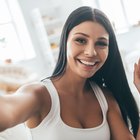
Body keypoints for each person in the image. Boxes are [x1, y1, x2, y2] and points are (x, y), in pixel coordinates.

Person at [0, 6, 139, 140]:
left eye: (101, 43)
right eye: (81, 40)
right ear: (65, 42)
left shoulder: (105, 98)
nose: (91, 52)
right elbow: (7, 109)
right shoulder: (39, 95)